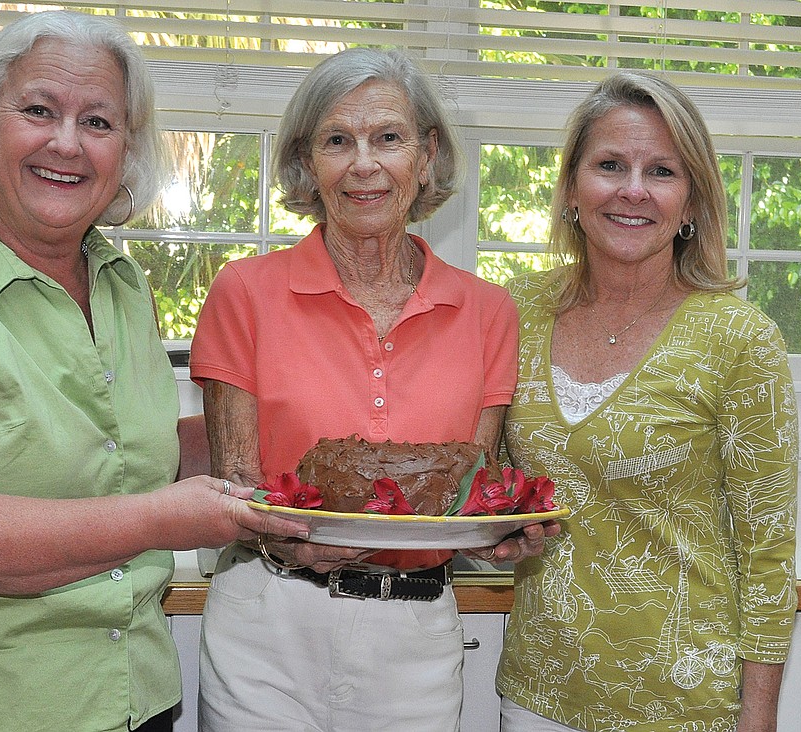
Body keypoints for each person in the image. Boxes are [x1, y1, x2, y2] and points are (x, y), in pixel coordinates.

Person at [0, 11, 307, 732]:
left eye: (98, 122)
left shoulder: (122, 285)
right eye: (38, 110)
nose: (66, 143)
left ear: (125, 154)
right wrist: (168, 517)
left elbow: (124, 457)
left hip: (130, 697)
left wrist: (300, 447)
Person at [189, 47, 558, 732]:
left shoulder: (486, 312)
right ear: (306, 163)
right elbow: (236, 480)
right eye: (337, 140)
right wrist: (286, 544)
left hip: (414, 635)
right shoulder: (245, 292)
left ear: (427, 156)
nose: (364, 164)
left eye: (388, 137)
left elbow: (461, 498)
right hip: (269, 624)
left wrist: (502, 535)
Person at [497, 71, 799, 732]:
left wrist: (760, 718)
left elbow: (768, 557)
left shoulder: (740, 339)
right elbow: (483, 482)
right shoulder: (513, 313)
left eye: (661, 171)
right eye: (609, 165)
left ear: (690, 202)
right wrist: (494, 533)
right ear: (573, 189)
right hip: (539, 696)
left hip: (690, 707)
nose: (633, 190)